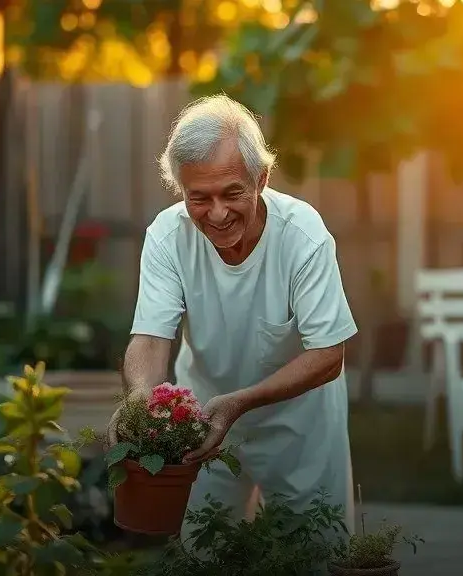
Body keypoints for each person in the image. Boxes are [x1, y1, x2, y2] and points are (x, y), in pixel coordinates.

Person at [108, 94, 357, 539]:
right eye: (198, 198)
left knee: (316, 553)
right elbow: (150, 338)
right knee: (206, 550)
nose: (217, 214)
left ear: (261, 178)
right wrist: (139, 401)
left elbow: (328, 354)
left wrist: (239, 402)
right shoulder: (168, 235)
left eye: (232, 193)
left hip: (301, 425)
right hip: (203, 420)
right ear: (179, 189)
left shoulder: (303, 236)